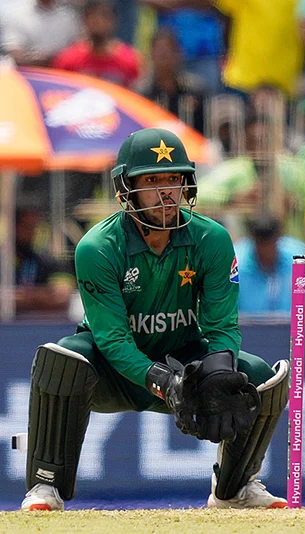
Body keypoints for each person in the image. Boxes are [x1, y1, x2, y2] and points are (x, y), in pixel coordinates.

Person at [20, 128, 289, 511]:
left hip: (182, 360)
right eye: (152, 180)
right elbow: (112, 340)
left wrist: (217, 371)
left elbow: (222, 326)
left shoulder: (211, 239)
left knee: (260, 375)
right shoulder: (98, 248)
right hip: (113, 371)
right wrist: (163, 382)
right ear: (126, 187)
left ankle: (236, 488)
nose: (166, 192)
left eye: (174, 179)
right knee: (63, 359)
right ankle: (46, 487)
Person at [235, 213, 305, 315]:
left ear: (279, 237)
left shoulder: (299, 261)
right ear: (252, 239)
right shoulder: (235, 264)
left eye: (269, 243)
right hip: (245, 328)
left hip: (291, 328)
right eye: (261, 243)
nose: (265, 250)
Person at [52, 0, 141, 88]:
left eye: (104, 16)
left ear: (115, 20)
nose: (98, 21)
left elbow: (135, 97)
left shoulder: (129, 60)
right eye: (92, 16)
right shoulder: (68, 59)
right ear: (84, 20)